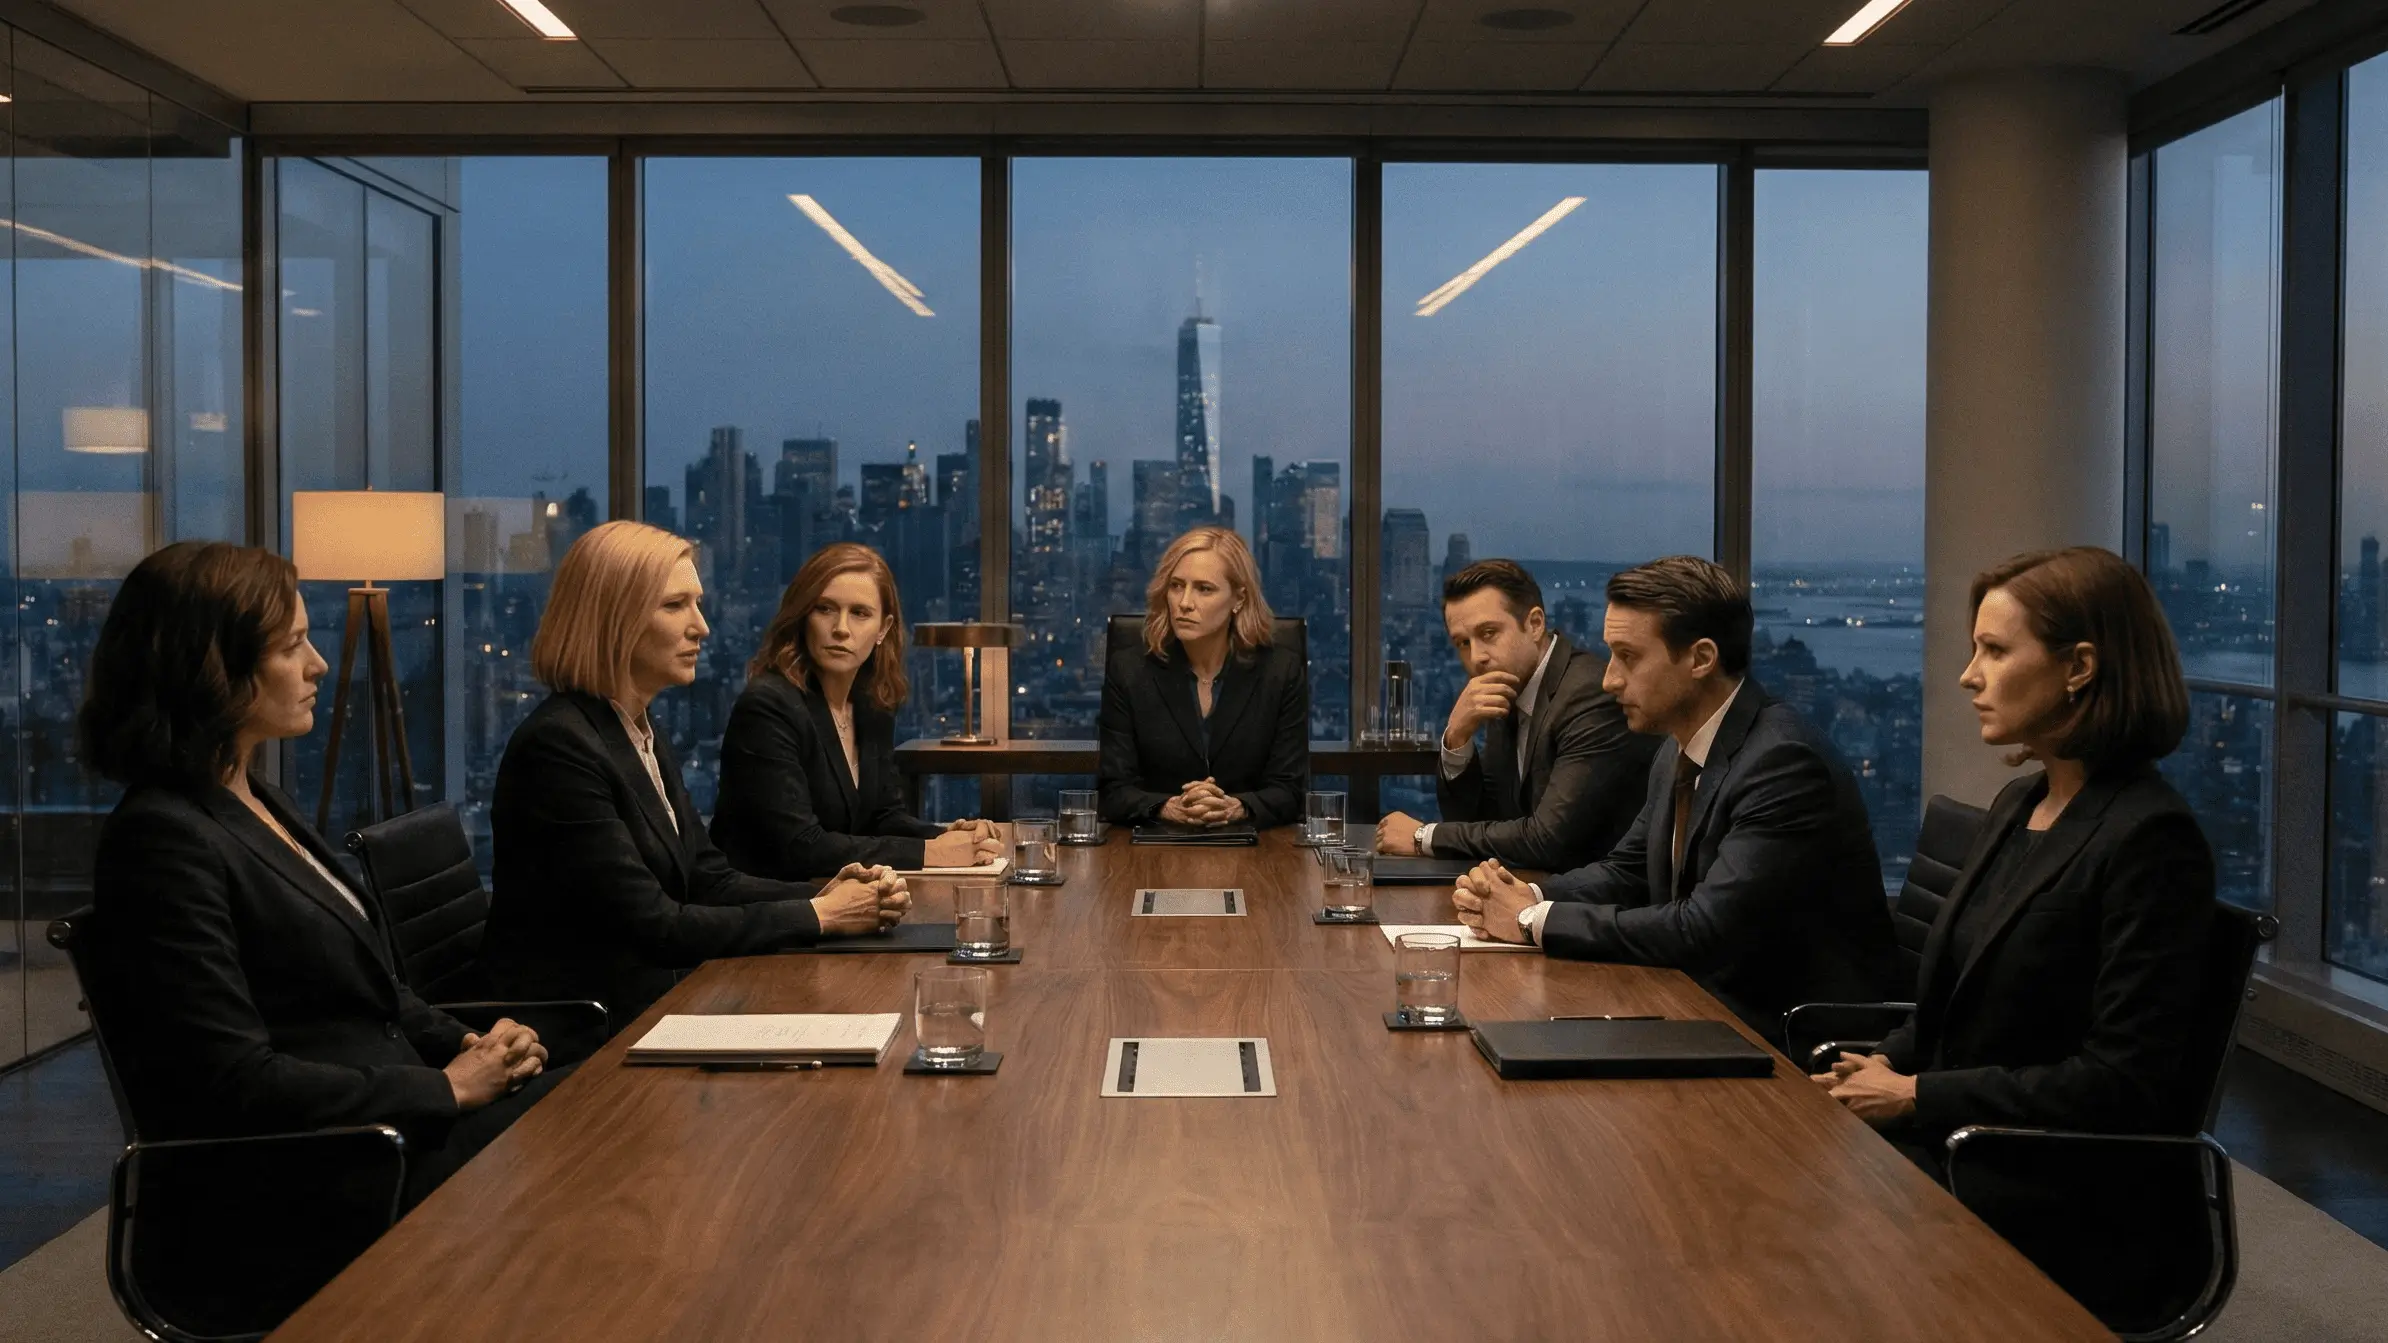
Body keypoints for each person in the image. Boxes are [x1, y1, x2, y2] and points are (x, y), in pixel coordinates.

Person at [81, 541, 558, 1206]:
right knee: (587, 1150)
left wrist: (474, 1044)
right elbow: (232, 1081)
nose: (319, 663)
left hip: (387, 1126)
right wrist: (446, 1086)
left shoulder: (253, 796)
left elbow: (376, 995)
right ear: (210, 667)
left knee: (592, 1108)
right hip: (322, 1170)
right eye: (292, 645)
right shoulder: (161, 839)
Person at [1815, 547, 2217, 1168]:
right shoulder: (2018, 802)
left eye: (1996, 651)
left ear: (2079, 667)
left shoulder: (2152, 839)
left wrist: (1915, 1094)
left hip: (2044, 1179)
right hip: (1960, 1140)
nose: (1969, 675)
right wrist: (1887, 1061)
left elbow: (2121, 1082)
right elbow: (1957, 1010)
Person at [482, 522, 907, 1025]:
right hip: (588, 1032)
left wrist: (828, 893)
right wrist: (821, 915)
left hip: (660, 1000)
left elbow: (707, 876)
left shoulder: (635, 729)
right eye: (674, 605)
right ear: (613, 618)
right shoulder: (558, 748)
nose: (701, 626)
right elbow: (656, 926)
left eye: (697, 604)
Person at [1453, 555, 1896, 1035]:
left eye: (1629, 657)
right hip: (1702, 1008)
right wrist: (1529, 894)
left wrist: (1530, 919)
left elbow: (1703, 929)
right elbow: (1626, 871)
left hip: (1788, 1041)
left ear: (1701, 659)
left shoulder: (1782, 762)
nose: (1609, 679)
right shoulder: (1678, 748)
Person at [712, 543, 1002, 878]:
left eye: (860, 613)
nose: (841, 629)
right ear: (803, 617)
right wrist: (931, 851)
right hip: (769, 909)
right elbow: (798, 845)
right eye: (825, 609)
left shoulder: (872, 705)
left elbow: (882, 817)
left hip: (835, 897)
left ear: (883, 628)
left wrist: (948, 836)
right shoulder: (768, 706)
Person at [1375, 558, 1658, 870]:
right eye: (1462, 643)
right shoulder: (1510, 687)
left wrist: (1422, 836)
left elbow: (1548, 839)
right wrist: (1457, 735)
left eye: (1489, 633)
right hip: (1532, 891)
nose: (1477, 657)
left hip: (1594, 903)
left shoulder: (1589, 695)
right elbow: (1481, 824)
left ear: (1535, 624)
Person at [1098, 526, 1307, 828]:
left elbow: (1290, 791)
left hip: (1254, 850)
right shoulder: (1129, 671)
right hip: (1153, 850)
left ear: (1239, 599)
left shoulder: (1280, 672)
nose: (1184, 602)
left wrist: (1234, 807)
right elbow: (1113, 791)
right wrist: (1169, 807)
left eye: (1204, 589)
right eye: (1176, 586)